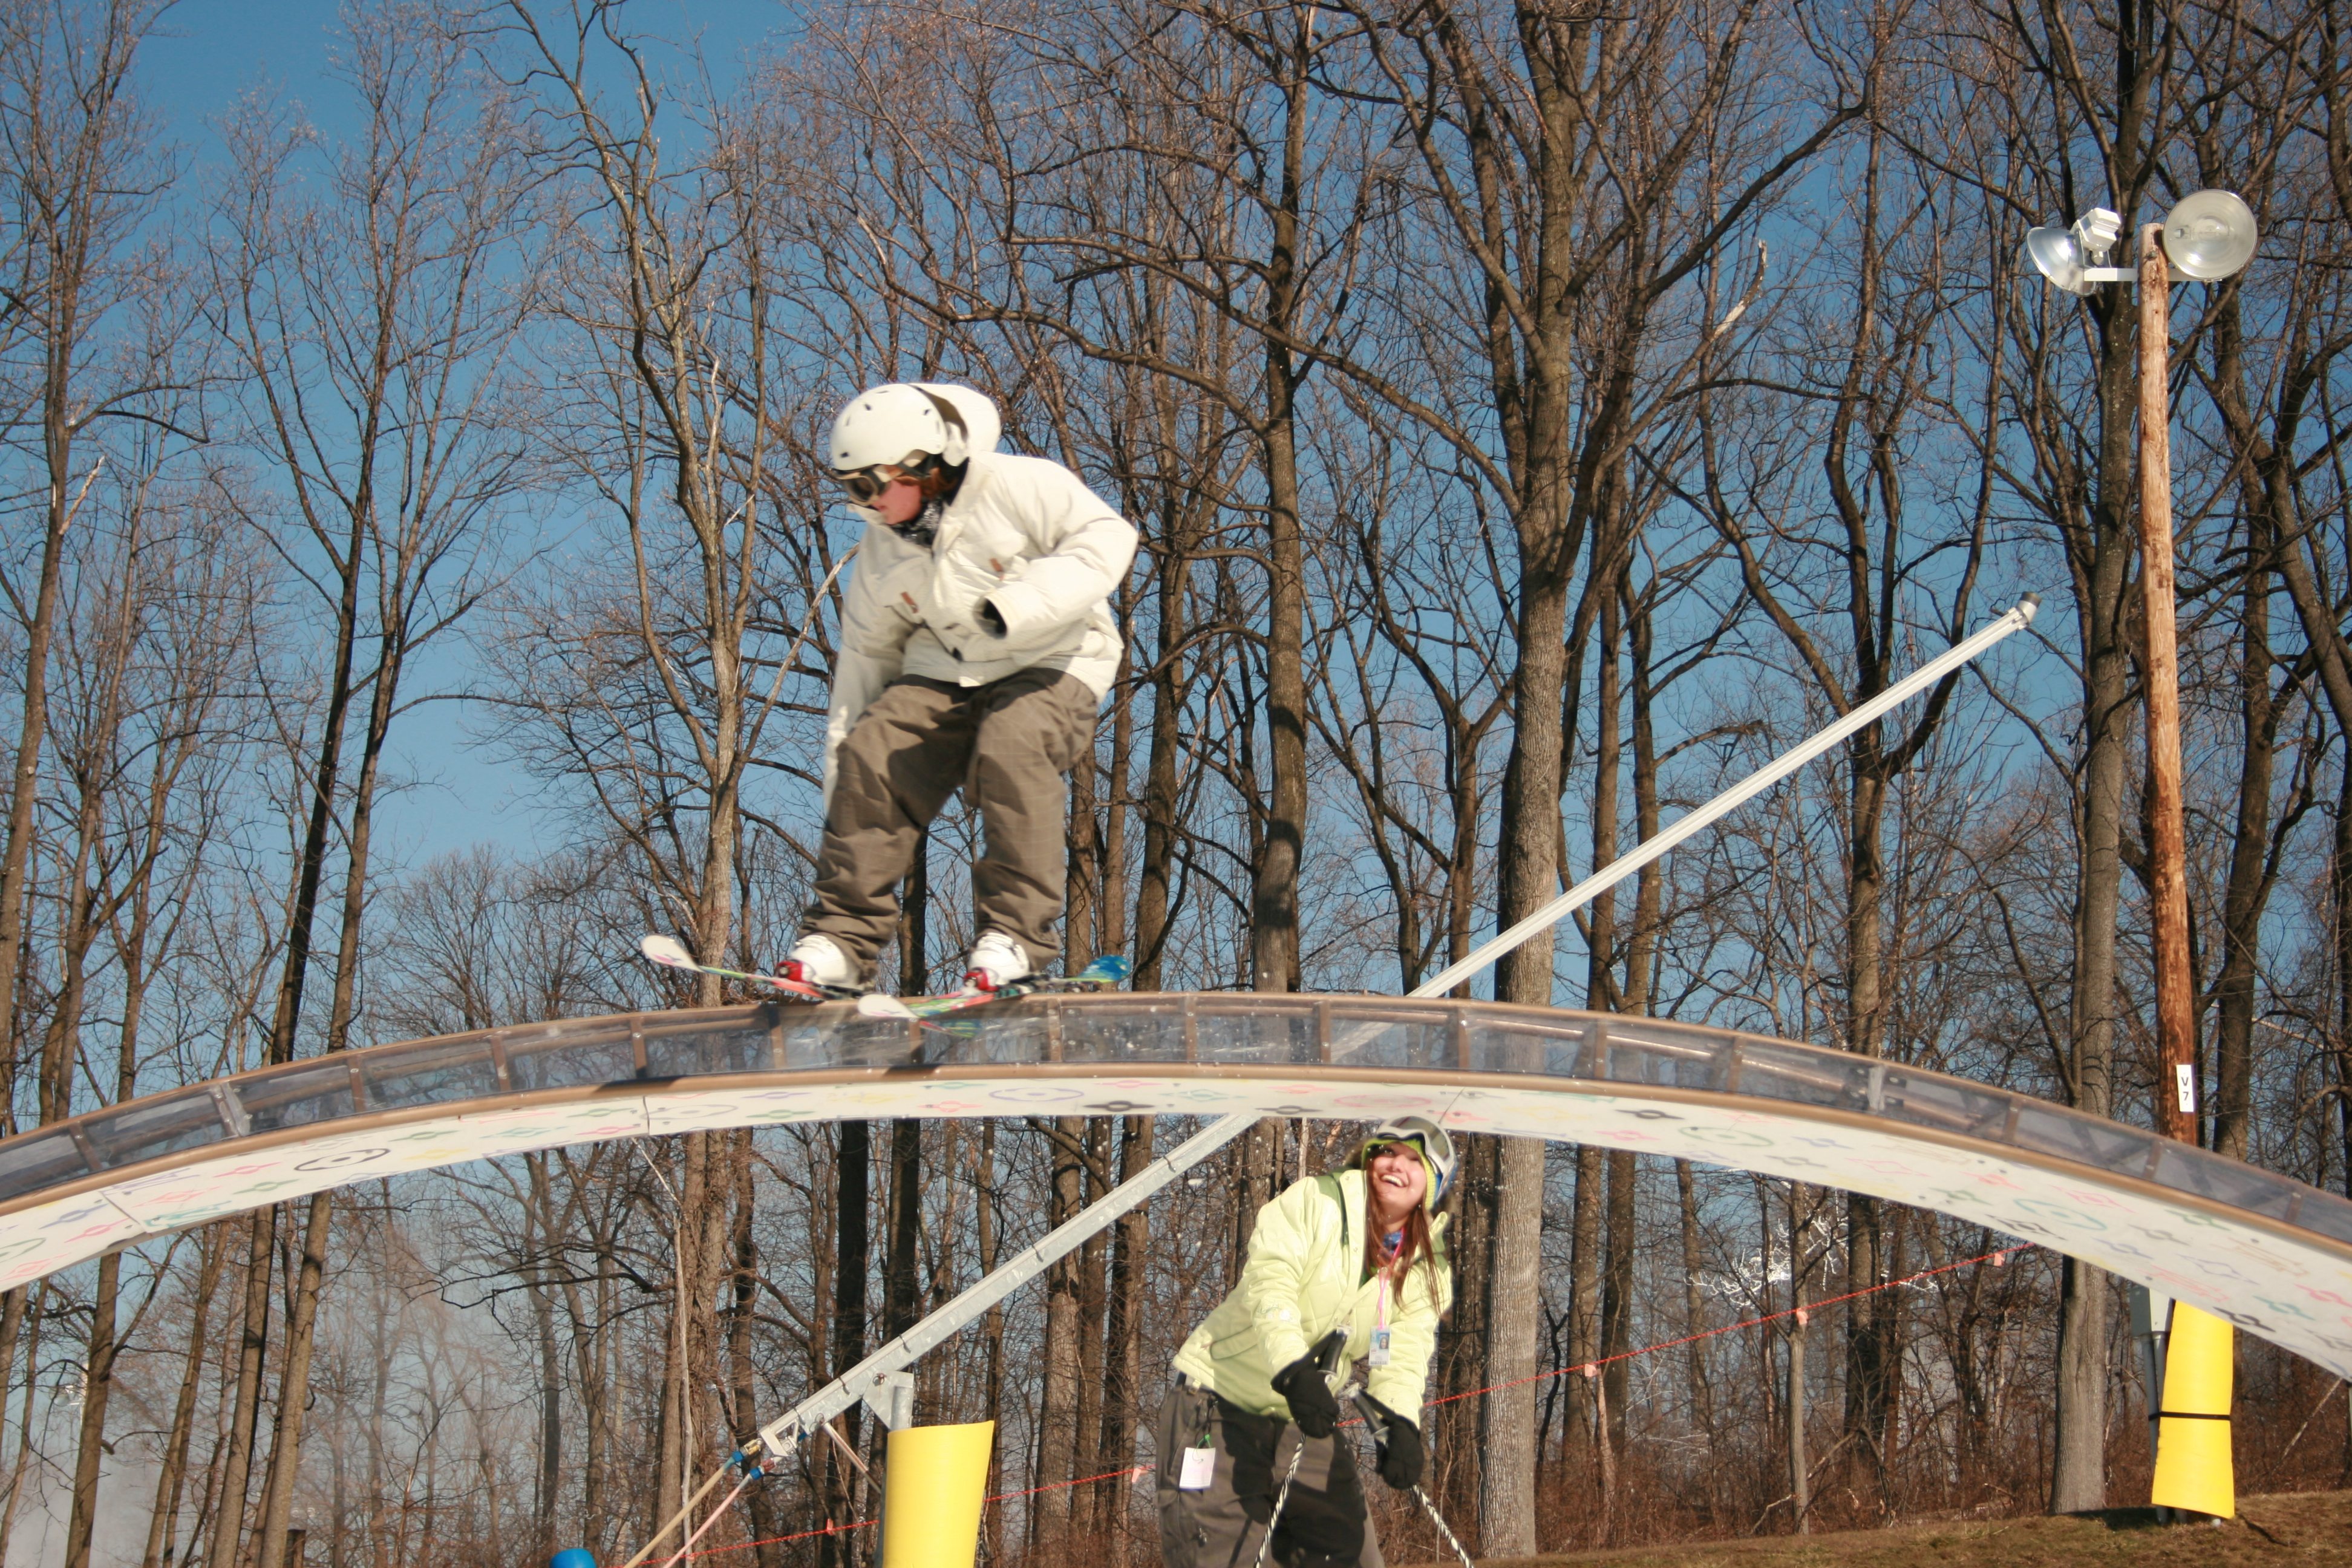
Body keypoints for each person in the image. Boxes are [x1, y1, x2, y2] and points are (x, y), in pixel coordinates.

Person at [780, 382, 1137, 994]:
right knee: (874, 752)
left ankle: (1016, 938)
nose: (863, 503)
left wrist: (1018, 604)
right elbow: (866, 660)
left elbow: (1109, 538)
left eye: (870, 486)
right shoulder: (881, 552)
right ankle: (843, 939)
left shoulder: (1019, 485)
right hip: (945, 669)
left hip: (1055, 654)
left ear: (922, 467)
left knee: (1012, 745)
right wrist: (847, 771)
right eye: (851, 489)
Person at [1158, 1117, 1456, 1568]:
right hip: (1219, 1407)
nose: (1397, 1164)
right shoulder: (1316, 1201)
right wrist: (1294, 1368)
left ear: (1432, 1187)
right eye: (1388, 1151)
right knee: (1225, 1555)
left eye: (1416, 1161)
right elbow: (1270, 1283)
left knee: (1349, 1553)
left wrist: (1399, 1422)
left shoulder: (1424, 1270)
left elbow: (1403, 1353)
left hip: (1304, 1421)